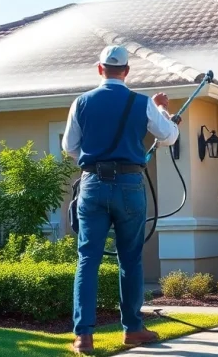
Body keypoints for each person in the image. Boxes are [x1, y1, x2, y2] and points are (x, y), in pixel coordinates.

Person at [62, 45, 181, 354]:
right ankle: (133, 329)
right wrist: (163, 111)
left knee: (88, 259)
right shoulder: (141, 103)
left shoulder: (81, 102)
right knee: (130, 258)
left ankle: (83, 337)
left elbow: (70, 147)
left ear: (100, 69)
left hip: (92, 184)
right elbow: (168, 136)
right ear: (127, 71)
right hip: (129, 185)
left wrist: (96, 162)